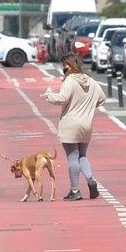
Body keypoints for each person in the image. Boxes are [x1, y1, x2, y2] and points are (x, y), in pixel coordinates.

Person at [44, 53, 106, 201]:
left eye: (63, 67)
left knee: (72, 157)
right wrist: (89, 105)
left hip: (70, 124)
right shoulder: (91, 81)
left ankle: (75, 190)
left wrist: (49, 94)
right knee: (82, 155)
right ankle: (90, 179)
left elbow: (62, 98)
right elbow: (102, 98)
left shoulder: (70, 81)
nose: (63, 71)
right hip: (86, 125)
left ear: (69, 66)